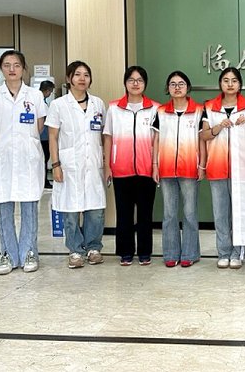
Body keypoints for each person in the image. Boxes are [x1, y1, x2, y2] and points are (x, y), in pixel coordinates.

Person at [0, 50, 46, 274]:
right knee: (4, 208)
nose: (12, 69)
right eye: (7, 65)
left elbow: (39, 126)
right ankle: (7, 255)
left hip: (28, 158)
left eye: (16, 65)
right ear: (1, 69)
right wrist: (2, 144)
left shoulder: (35, 95)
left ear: (24, 68)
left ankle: (29, 253)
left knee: (29, 208)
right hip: (3, 158)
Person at [46, 61, 107, 269]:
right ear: (69, 78)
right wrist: (55, 164)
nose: (82, 78)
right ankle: (75, 250)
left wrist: (105, 162)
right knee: (70, 210)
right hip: (68, 165)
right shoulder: (59, 105)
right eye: (78, 74)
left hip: (93, 164)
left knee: (95, 210)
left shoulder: (98, 104)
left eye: (86, 75)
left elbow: (103, 135)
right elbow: (52, 137)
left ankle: (93, 248)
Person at [200, 67, 245, 269]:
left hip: (242, 170)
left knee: (239, 212)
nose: (230, 84)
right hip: (217, 167)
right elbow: (204, 135)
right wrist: (219, 127)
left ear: (240, 84)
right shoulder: (209, 107)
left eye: (234, 80)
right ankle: (223, 252)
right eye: (226, 80)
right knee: (220, 214)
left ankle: (238, 252)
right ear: (220, 84)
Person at [103, 66, 159, 266]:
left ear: (145, 84)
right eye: (131, 80)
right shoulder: (114, 108)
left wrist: (156, 165)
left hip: (146, 169)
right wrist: (107, 166)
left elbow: (157, 140)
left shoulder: (155, 108)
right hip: (121, 168)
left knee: (145, 213)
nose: (135, 84)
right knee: (124, 213)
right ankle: (125, 252)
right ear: (125, 83)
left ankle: (145, 252)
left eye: (140, 80)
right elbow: (108, 137)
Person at [153, 71, 206, 268]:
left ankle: (190, 253)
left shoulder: (199, 111)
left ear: (188, 87)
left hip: (190, 167)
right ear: (168, 88)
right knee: (169, 214)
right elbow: (156, 140)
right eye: (173, 84)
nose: (177, 87)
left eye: (181, 83)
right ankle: (170, 253)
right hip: (166, 168)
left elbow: (202, 140)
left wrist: (202, 165)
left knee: (190, 213)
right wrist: (155, 165)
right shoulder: (161, 112)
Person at [39, 80, 55, 188]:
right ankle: (44, 181)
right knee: (44, 159)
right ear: (47, 90)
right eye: (50, 91)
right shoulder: (41, 102)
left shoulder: (39, 100)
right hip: (43, 137)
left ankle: (42, 180)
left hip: (41, 136)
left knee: (42, 159)